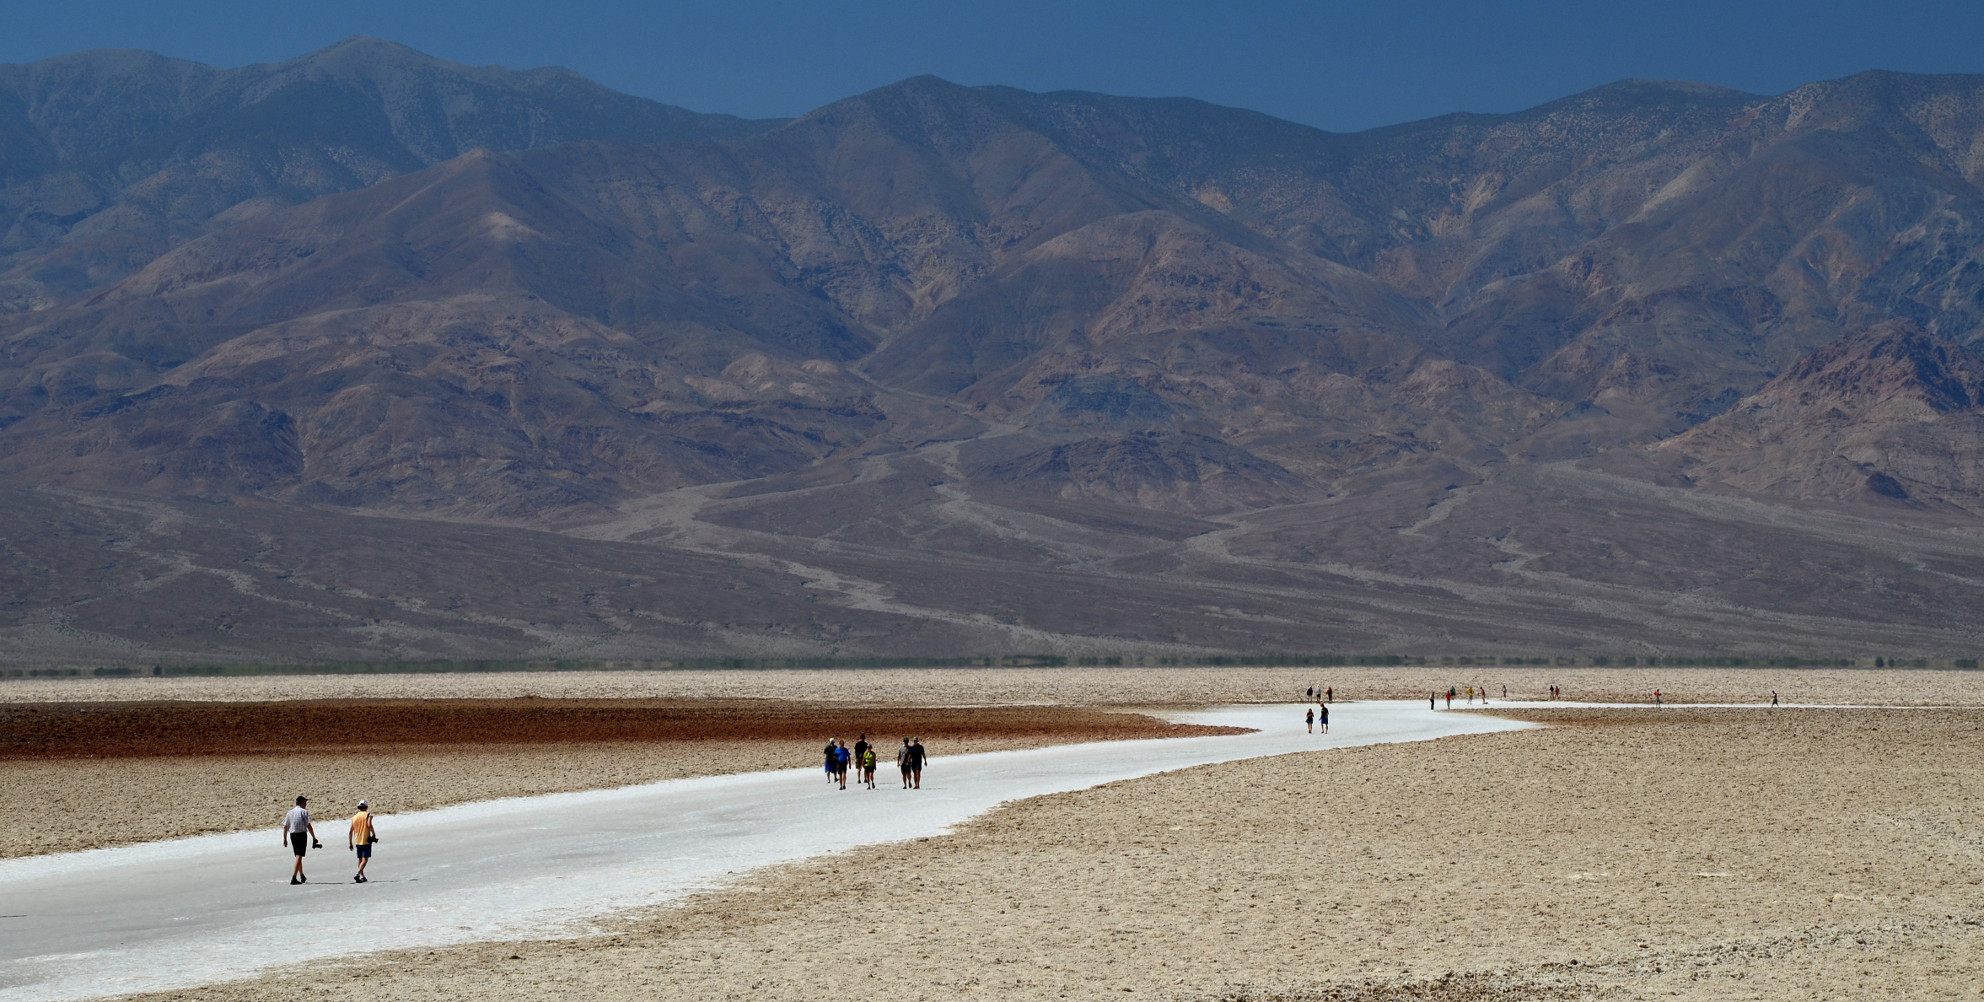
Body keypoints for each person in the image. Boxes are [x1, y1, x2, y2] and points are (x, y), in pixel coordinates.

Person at [282, 795, 319, 885]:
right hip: (301, 835)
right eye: (305, 802)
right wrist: (314, 837)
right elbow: (308, 825)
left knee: (298, 856)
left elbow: (285, 826)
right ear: (301, 803)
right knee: (299, 855)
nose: (306, 804)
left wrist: (285, 839)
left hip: (293, 835)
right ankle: (294, 877)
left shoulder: (290, 812)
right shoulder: (304, 812)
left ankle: (302, 875)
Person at [348, 799, 379, 883]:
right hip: (365, 840)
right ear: (366, 807)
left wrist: (350, 843)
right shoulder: (367, 815)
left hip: (357, 840)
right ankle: (358, 873)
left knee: (360, 859)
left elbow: (351, 831)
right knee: (365, 859)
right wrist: (374, 834)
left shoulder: (354, 817)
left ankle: (362, 876)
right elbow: (369, 825)